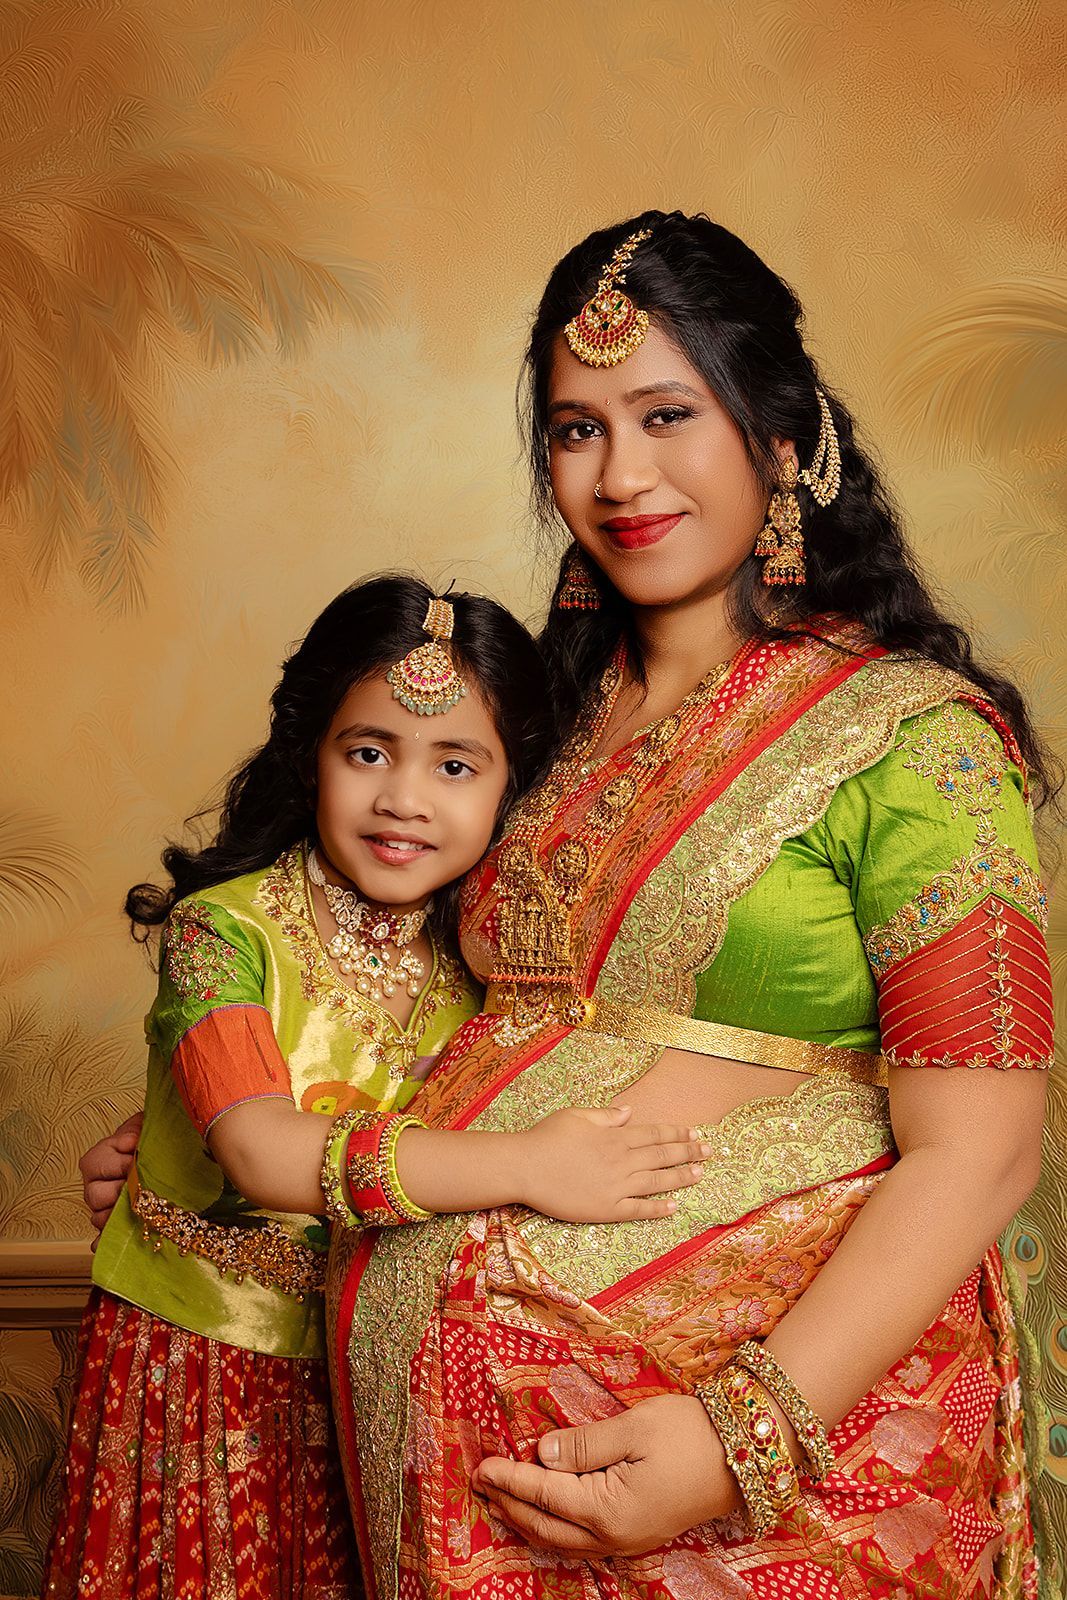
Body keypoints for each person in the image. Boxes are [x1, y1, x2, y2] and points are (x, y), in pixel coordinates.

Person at [323, 215, 1058, 1599]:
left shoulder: (912, 742)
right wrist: (233, 1118)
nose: (620, 476)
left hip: (758, 1499)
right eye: (574, 430)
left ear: (781, 441)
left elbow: (983, 1154)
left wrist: (740, 1438)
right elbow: (427, 1005)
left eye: (666, 414)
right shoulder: (527, 727)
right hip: (429, 1478)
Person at [43, 573, 709, 1600]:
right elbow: (262, 1150)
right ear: (309, 754)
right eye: (367, 753)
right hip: (201, 1371)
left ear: (512, 789)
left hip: (386, 1379)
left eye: (454, 764)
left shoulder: (490, 971)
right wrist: (529, 1163)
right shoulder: (223, 931)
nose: (403, 797)